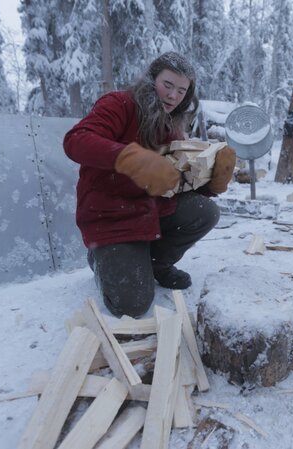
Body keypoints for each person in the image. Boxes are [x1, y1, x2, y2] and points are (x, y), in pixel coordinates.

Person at [63, 52, 236, 318]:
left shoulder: (171, 124)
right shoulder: (119, 104)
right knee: (132, 306)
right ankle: (99, 259)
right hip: (111, 216)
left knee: (205, 212)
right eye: (167, 85)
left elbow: (175, 180)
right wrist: (130, 158)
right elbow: (76, 140)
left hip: (151, 210)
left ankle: (157, 262)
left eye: (181, 90)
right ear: (151, 79)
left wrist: (211, 183)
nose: (173, 96)